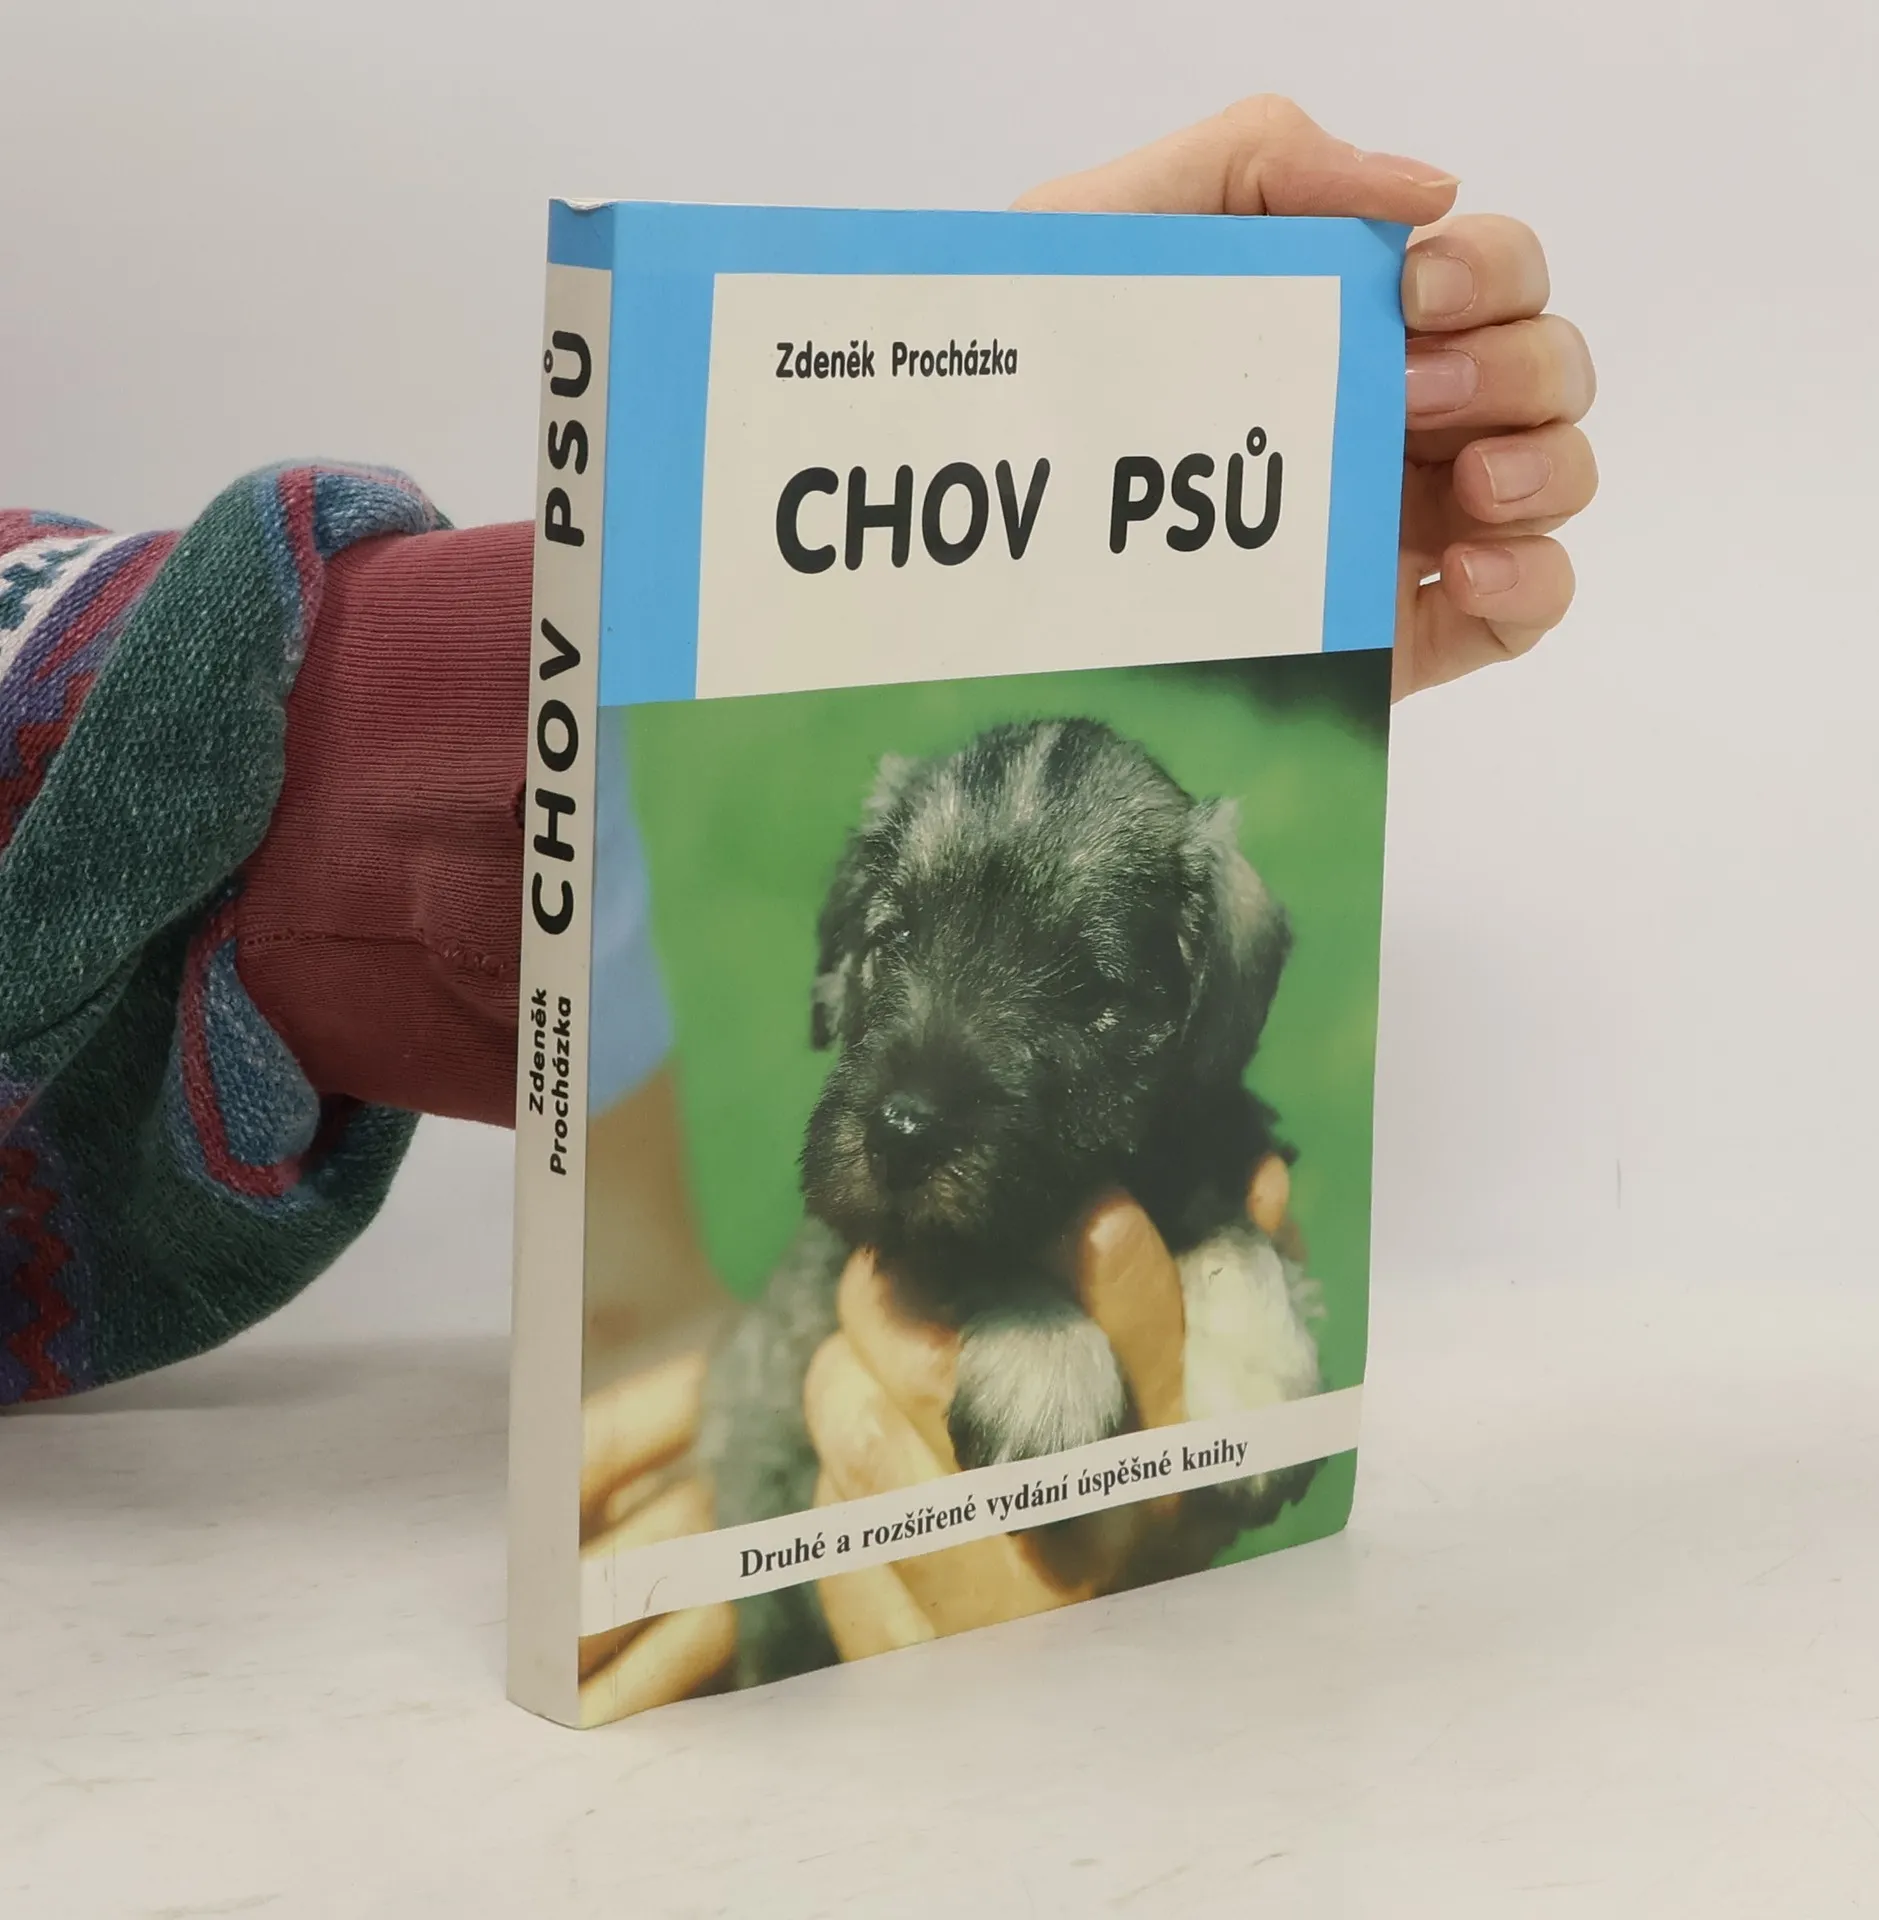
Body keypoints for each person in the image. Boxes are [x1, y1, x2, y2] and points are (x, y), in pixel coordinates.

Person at [0, 99, 1597, 1710]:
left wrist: (965, 437)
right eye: (894, 946)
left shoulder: (1207, 980)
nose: (917, 1075)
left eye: (1090, 986)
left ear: (1213, 1001)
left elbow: (641, 1304)